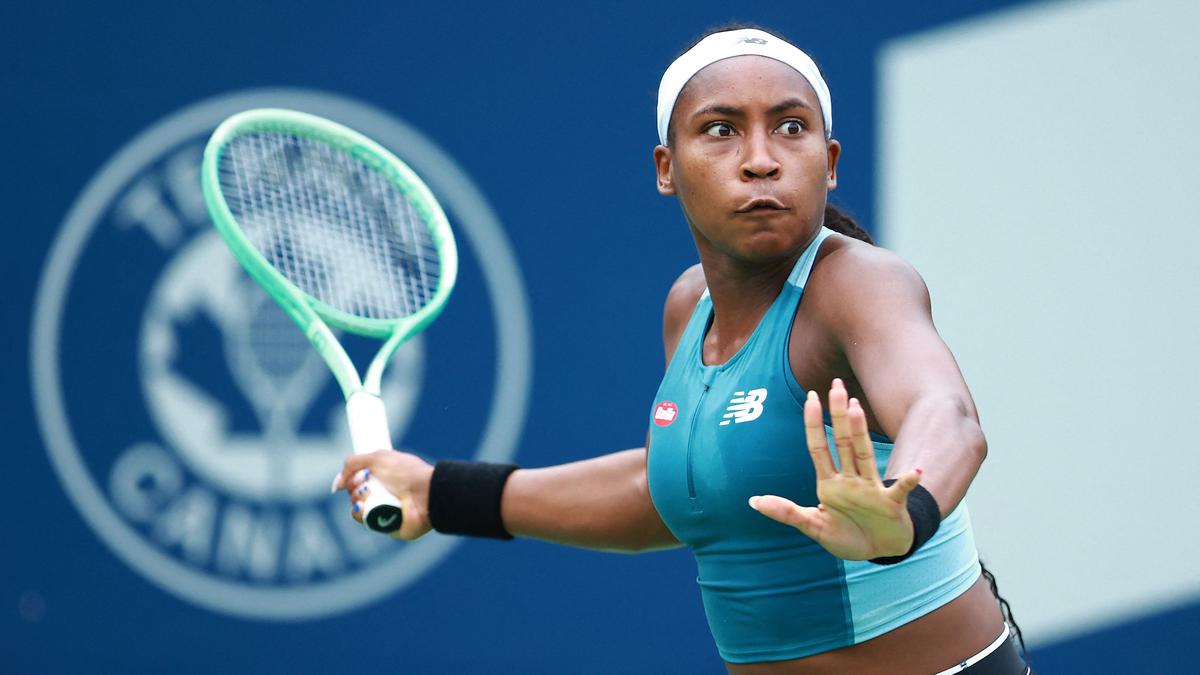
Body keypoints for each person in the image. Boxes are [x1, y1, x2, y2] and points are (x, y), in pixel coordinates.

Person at [336, 25, 1032, 675]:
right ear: (667, 168)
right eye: (721, 130)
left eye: (792, 128)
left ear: (831, 161)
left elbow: (945, 412)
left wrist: (902, 517)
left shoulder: (856, 282)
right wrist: (444, 492)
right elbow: (671, 487)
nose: (761, 160)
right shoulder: (688, 306)